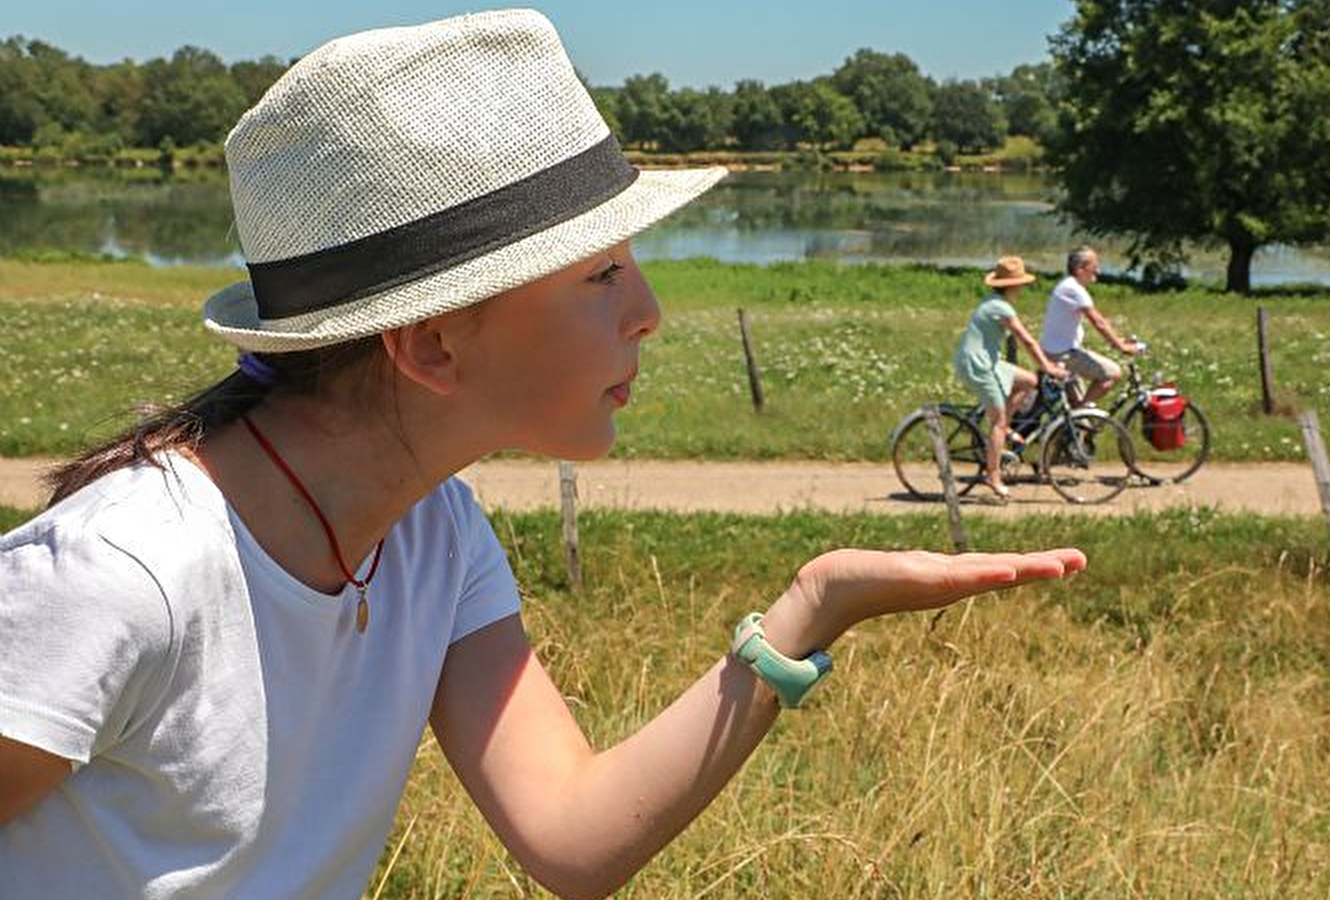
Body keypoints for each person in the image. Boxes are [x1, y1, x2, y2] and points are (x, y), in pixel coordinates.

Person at [0, 11, 1086, 900]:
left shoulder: (433, 531)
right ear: (431, 343)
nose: (650, 312)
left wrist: (809, 609)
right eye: (601, 274)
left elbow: (570, 835)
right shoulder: (124, 575)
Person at [952, 256, 1068, 501]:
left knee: (1029, 381)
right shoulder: (1000, 307)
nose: (1023, 287)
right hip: (978, 365)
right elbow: (1027, 340)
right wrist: (1048, 367)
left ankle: (1003, 434)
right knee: (998, 421)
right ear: (1013, 284)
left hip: (989, 362)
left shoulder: (995, 301)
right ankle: (993, 476)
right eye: (1021, 282)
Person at [1040, 246, 1143, 406]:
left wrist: (1118, 340)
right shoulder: (1074, 289)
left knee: (1076, 418)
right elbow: (1099, 322)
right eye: (1094, 267)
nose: (1099, 271)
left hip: (1056, 351)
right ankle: (1080, 413)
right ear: (1080, 269)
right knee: (1112, 373)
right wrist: (1121, 346)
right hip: (1064, 353)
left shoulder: (1067, 285)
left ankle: (1075, 419)